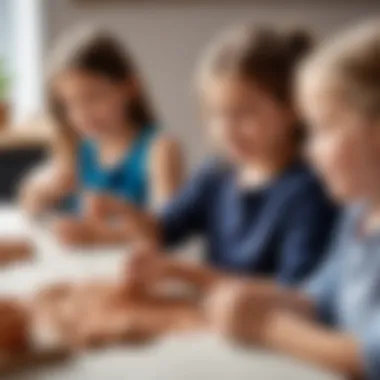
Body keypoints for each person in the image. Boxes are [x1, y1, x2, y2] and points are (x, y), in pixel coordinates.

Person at [200, 20, 380, 380]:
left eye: (323, 129)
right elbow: (319, 298)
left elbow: (370, 358)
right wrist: (255, 299)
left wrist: (266, 327)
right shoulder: (357, 214)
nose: (309, 152)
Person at [98, 25, 338, 285]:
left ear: (294, 108)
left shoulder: (310, 192)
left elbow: (294, 292)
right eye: (216, 114)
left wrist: (181, 272)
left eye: (244, 113)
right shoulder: (217, 173)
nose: (227, 130)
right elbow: (164, 230)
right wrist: (124, 213)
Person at [20, 27, 184, 246]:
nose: (82, 114)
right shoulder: (76, 147)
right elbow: (31, 199)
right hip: (83, 268)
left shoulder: (160, 149)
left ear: (129, 88)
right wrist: (41, 195)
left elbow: (167, 230)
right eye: (70, 104)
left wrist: (100, 236)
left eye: (93, 97)